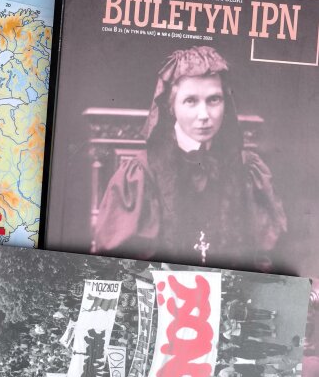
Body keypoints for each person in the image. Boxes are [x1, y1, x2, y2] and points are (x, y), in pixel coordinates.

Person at [94, 46, 286, 269]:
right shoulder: (141, 173)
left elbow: (266, 258)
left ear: (226, 103)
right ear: (171, 107)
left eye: (213, 100)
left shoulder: (247, 169)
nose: (204, 115)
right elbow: (116, 265)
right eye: (190, 101)